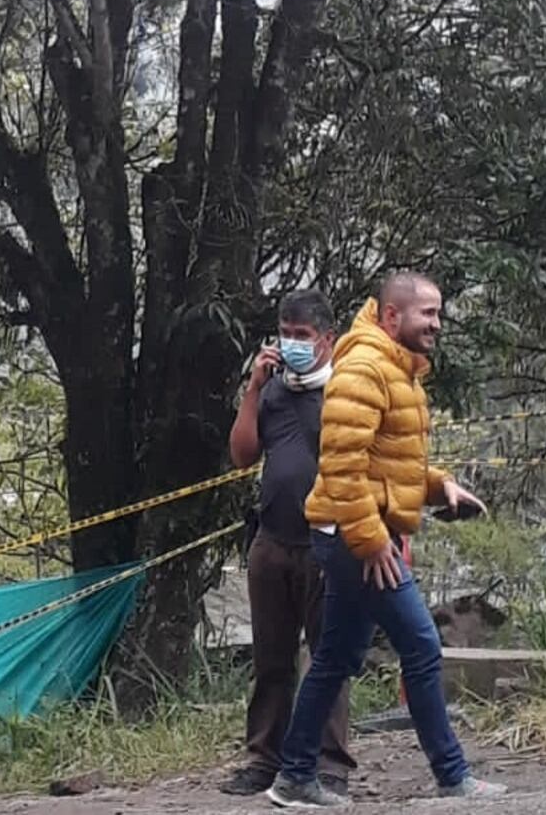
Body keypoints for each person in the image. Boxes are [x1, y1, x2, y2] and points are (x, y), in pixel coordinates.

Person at [267, 274, 504, 808]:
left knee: (334, 656)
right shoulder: (364, 370)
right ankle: (452, 776)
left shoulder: (396, 369)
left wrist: (437, 484)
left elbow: (384, 462)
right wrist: (373, 542)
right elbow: (342, 467)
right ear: (392, 316)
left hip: (355, 532)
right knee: (421, 645)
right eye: (428, 314)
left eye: (439, 314)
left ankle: (295, 776)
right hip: (356, 537)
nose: (437, 325)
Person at [221, 290, 355, 799]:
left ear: (327, 339)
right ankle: (264, 758)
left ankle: (330, 763)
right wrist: (254, 387)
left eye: (303, 336)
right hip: (271, 541)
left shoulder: (344, 393)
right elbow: (241, 455)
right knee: (271, 659)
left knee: (328, 658)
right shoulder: (274, 392)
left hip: (326, 542)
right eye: (287, 333)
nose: (293, 344)